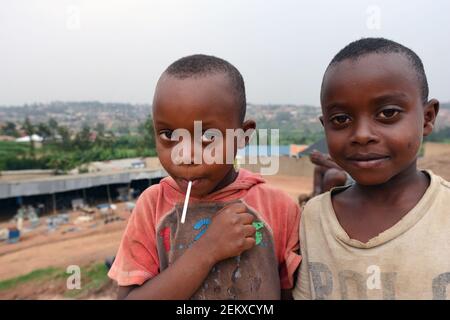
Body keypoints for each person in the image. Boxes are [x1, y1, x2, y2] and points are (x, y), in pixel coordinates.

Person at [108, 54, 301, 299]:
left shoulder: (279, 208)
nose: (185, 155)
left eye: (208, 136)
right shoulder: (153, 207)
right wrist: (207, 250)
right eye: (168, 134)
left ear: (242, 136)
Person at [293, 38, 449, 300]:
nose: (362, 135)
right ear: (325, 126)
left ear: (427, 118)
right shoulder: (313, 219)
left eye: (388, 113)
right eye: (341, 119)